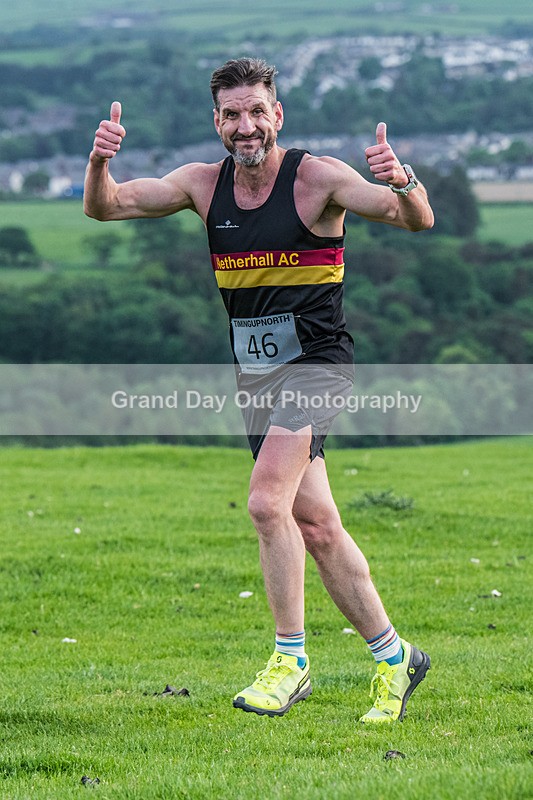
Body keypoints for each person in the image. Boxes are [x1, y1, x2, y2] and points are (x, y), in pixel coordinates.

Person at [84, 57, 434, 724]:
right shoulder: (201, 185)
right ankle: (396, 660)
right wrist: (101, 162)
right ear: (216, 122)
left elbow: (413, 218)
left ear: (277, 116)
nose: (245, 126)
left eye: (255, 112)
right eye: (231, 115)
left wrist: (404, 178)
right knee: (318, 527)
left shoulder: (318, 178)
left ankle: (289, 661)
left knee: (265, 503)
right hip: (257, 377)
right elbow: (107, 208)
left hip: (318, 365)